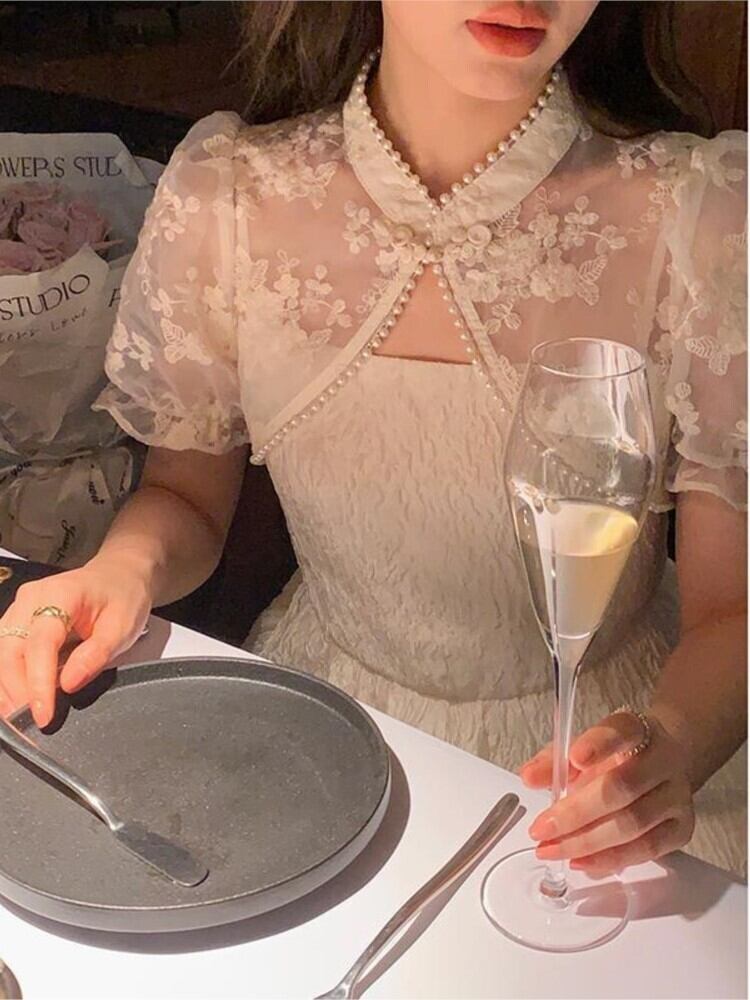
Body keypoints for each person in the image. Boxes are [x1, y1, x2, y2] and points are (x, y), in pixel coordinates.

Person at [0, 0, 746, 878]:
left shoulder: (696, 215)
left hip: (613, 756)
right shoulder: (227, 195)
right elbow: (186, 498)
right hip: (329, 735)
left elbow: (731, 609)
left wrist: (673, 745)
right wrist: (117, 573)